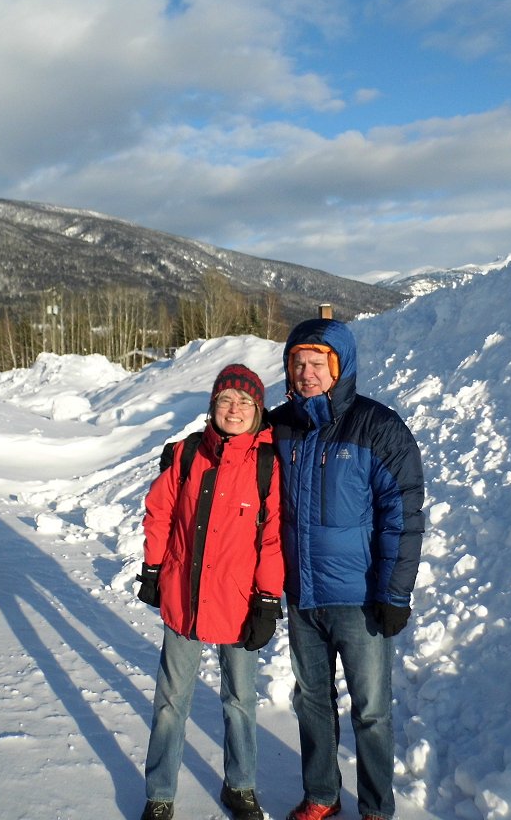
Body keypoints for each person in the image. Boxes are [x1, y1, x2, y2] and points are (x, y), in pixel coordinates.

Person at [270, 318, 425, 820]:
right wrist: (183, 455)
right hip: (304, 596)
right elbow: (229, 450)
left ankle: (378, 806)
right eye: (298, 363)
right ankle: (322, 795)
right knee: (311, 702)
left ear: (340, 368)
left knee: (372, 710)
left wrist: (394, 594)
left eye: (318, 363)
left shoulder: (377, 427)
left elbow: (402, 516)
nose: (307, 373)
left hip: (360, 600)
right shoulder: (281, 427)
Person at [137, 363, 285, 820]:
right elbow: (159, 513)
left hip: (240, 605)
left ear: (258, 411)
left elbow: (274, 536)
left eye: (245, 402)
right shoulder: (185, 455)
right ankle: (160, 794)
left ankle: (240, 786)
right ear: (212, 407)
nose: (234, 409)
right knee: (169, 703)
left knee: (240, 702)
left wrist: (266, 600)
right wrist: (153, 569)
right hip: (184, 596)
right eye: (226, 400)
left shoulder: (266, 463)